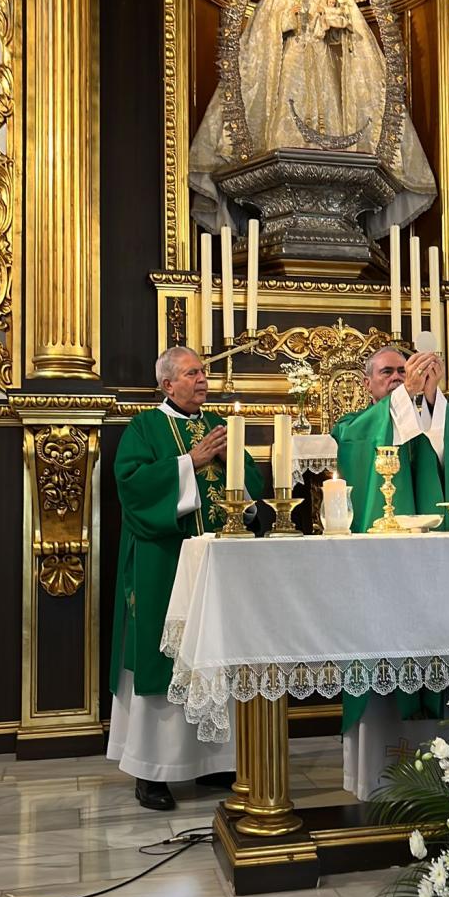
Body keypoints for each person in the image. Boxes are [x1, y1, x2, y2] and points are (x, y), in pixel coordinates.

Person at [108, 347, 263, 810]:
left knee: (216, 654)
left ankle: (215, 762)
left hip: (219, 564)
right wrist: (189, 463)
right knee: (163, 656)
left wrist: (249, 500)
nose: (203, 380)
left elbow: (245, 475)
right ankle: (152, 771)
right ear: (167, 383)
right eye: (193, 373)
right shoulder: (144, 427)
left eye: (204, 372)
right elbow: (132, 486)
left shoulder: (219, 423)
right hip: (164, 560)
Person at [189, 0, 436, 238]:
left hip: (320, 57)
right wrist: (293, 16)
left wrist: (334, 22)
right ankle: (291, 141)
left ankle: (326, 146)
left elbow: (339, 34)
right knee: (291, 96)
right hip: (296, 54)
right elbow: (278, 27)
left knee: (326, 98)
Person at [332, 345, 449, 798]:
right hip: (380, 576)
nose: (398, 377)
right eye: (388, 372)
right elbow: (366, 444)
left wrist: (429, 401)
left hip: (436, 571)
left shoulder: (438, 417)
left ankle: (446, 766)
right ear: (369, 383)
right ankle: (374, 774)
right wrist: (407, 399)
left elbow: (446, 448)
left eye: (404, 370)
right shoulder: (353, 428)